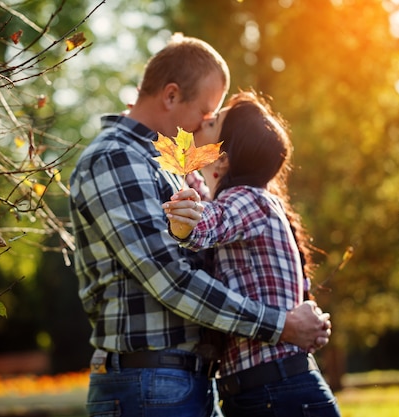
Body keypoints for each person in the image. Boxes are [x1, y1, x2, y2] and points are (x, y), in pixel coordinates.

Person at [68, 33, 332, 417]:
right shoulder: (115, 158)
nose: (206, 127)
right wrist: (281, 325)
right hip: (150, 384)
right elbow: (169, 279)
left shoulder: (166, 164)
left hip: (186, 383)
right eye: (207, 114)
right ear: (171, 96)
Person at [163, 90, 341, 416]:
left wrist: (184, 223)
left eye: (213, 121)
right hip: (268, 390)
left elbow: (210, 223)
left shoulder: (248, 199)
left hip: (275, 392)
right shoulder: (251, 201)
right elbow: (207, 198)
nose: (204, 120)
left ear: (223, 158)